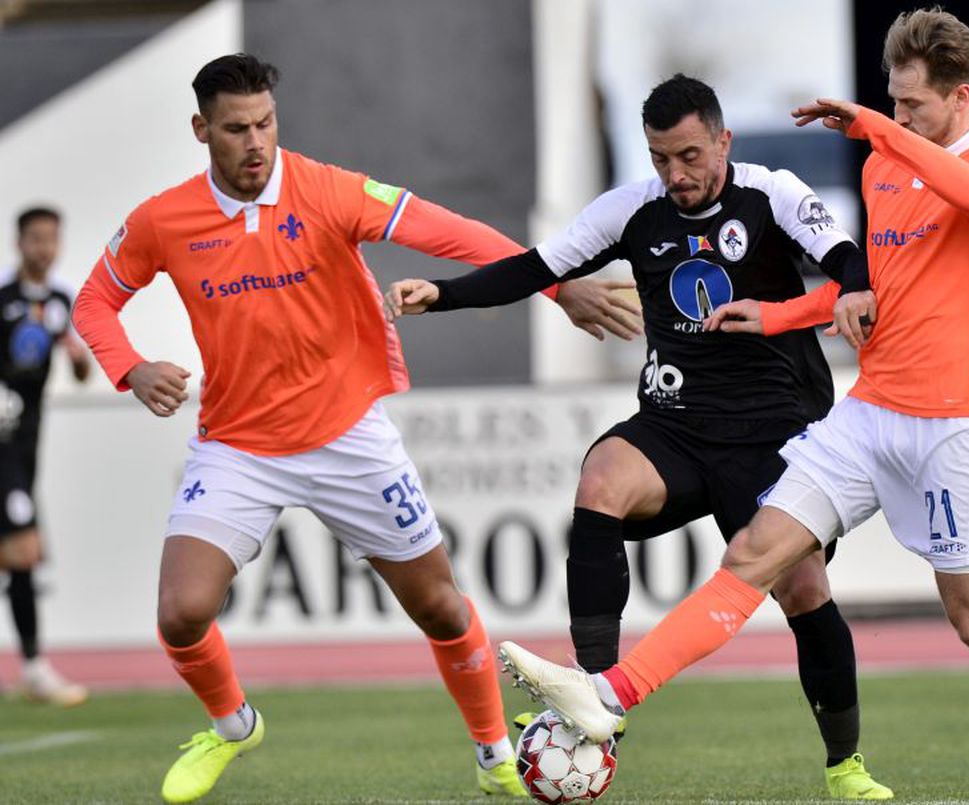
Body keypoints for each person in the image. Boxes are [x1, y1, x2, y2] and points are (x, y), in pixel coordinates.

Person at [489, 9, 969, 796]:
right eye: (890, 103)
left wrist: (885, 136)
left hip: (954, 424)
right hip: (869, 409)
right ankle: (609, 694)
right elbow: (873, 289)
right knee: (753, 552)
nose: (897, 116)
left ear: (960, 96)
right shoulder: (885, 165)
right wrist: (781, 314)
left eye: (912, 104)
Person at [70, 53, 639, 804]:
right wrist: (131, 367)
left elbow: (453, 233)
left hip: (349, 436)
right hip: (238, 445)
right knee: (180, 614)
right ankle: (234, 725)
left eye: (266, 124)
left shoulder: (328, 190)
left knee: (439, 605)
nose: (255, 143)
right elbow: (93, 302)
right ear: (201, 129)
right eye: (236, 128)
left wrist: (559, 284)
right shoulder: (161, 219)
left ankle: (494, 751)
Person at [387, 74, 892, 799]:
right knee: (601, 482)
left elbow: (848, 255)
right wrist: (444, 295)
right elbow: (538, 267)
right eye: (661, 158)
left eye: (690, 155)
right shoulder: (634, 209)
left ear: (723, 139)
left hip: (775, 436)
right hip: (675, 424)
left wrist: (852, 289)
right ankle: (596, 699)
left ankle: (845, 765)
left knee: (804, 588)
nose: (676, 175)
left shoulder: (773, 194)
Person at [0, 206, 90, 706]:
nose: (44, 248)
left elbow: (79, 373)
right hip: (2, 448)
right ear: (19, 243)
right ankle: (35, 668)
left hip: (29, 444)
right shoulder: (3, 298)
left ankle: (32, 667)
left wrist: (78, 360)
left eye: (51, 239)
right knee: (23, 552)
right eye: (36, 238)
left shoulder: (59, 301)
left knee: (17, 557)